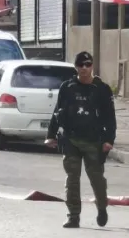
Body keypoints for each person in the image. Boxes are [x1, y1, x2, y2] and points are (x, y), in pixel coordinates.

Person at [45, 51, 117, 228]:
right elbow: (57, 112)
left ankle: (101, 208)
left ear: (92, 66)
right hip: (71, 139)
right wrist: (50, 135)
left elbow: (110, 117)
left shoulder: (101, 89)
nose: (84, 68)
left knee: (97, 179)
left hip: (94, 140)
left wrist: (109, 140)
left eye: (88, 65)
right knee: (72, 179)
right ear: (76, 67)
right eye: (81, 65)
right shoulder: (67, 87)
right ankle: (73, 216)